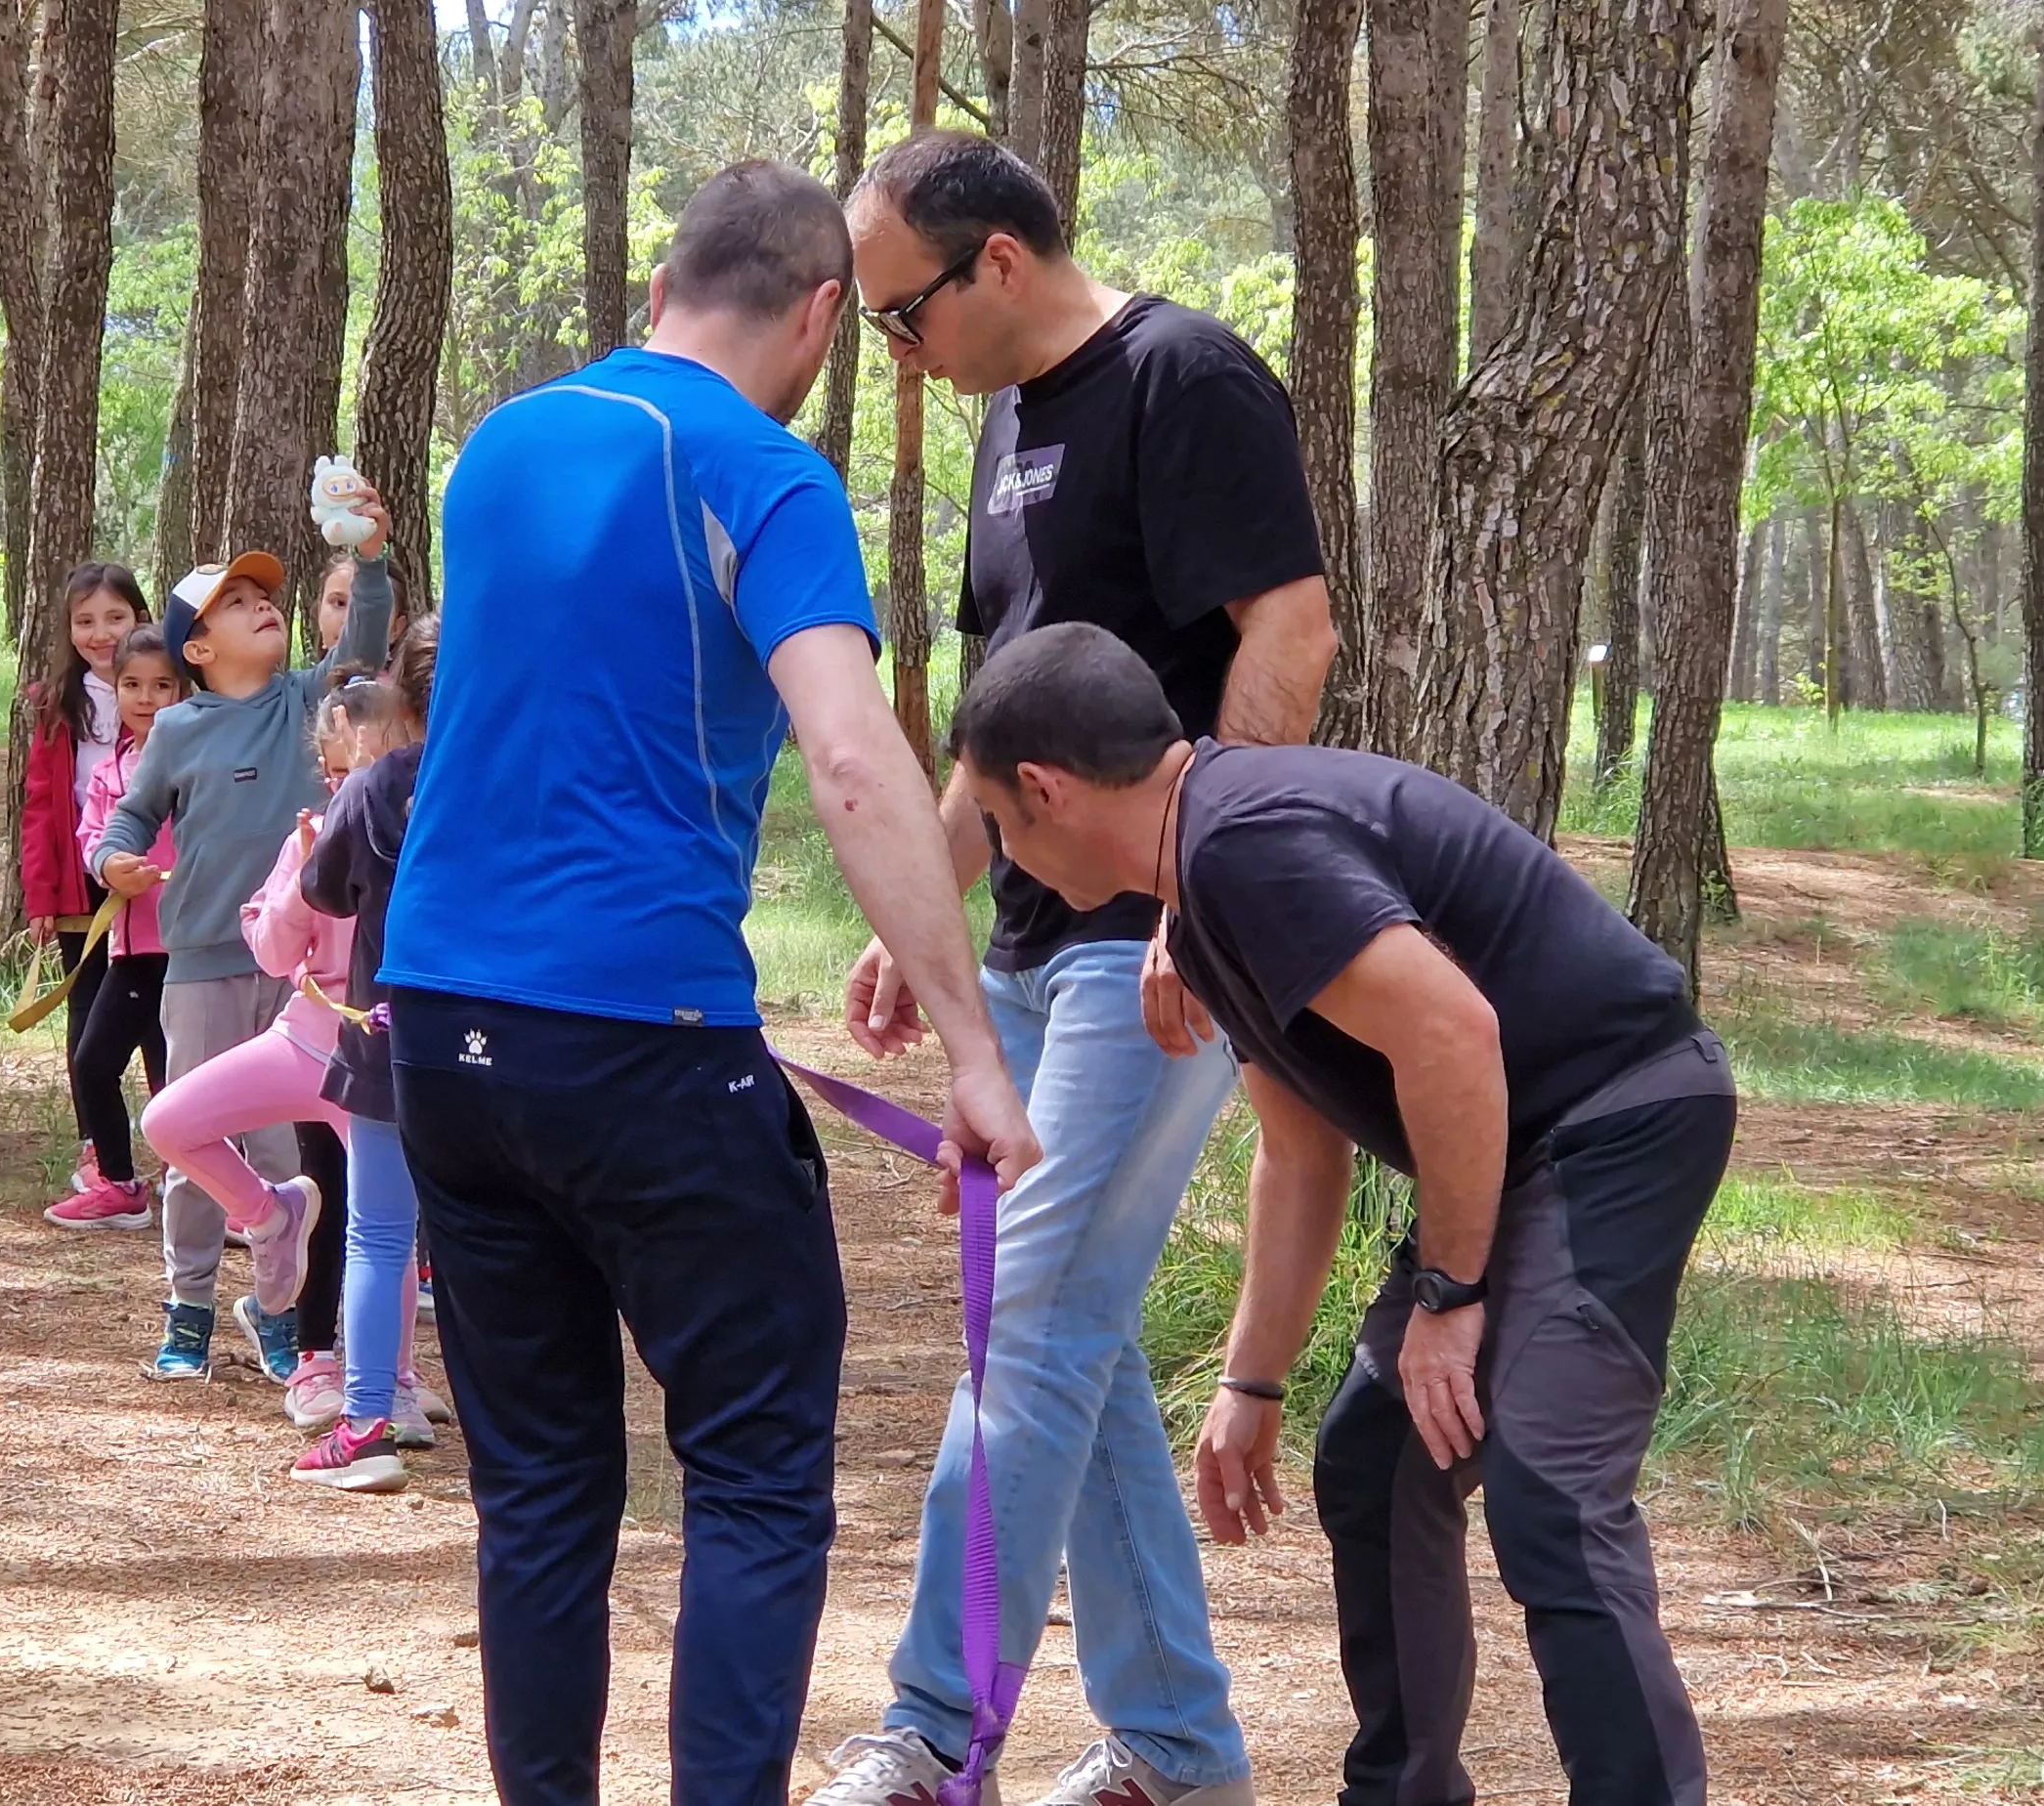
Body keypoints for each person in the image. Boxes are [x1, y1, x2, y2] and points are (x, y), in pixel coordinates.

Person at [378, 159, 1043, 1806]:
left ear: (665, 281)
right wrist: (971, 1044)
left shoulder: (501, 445)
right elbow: (852, 754)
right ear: (820, 311)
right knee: (751, 1474)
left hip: (442, 1042)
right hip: (644, 1047)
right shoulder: (763, 473)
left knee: (538, 1489)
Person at [950, 624, 1736, 1806]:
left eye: (997, 824)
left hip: (1618, 1119)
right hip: (1516, 1146)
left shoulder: (1241, 848)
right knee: (1377, 1458)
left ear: (1046, 791)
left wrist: (1452, 1295)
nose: (1003, 857)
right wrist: (1250, 1381)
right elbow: (1300, 1149)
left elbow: (1452, 1032)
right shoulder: (1201, 878)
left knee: (1547, 1490)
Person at [814, 130, 1339, 1806]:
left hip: (1162, 954)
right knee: (1084, 1340)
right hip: (1037, 958)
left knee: (1021, 1328)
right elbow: (999, 739)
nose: (898, 357)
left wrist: (1205, 894)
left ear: (1002, 265)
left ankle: (924, 1727)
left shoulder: (1184, 376)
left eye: (903, 315)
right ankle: (1179, 1748)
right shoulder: (1006, 429)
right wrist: (932, 928)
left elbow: (1290, 629)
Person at [98, 490, 397, 1383]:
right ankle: (187, 1304)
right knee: (198, 1145)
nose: (263, 605)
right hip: (199, 965)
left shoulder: (310, 697)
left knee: (281, 1151)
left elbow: (363, 647)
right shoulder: (178, 728)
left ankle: (277, 1313)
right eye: (236, 603)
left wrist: (372, 561)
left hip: (304, 972)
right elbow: (133, 815)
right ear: (197, 648)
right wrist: (116, 862)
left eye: (264, 596)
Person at [295, 635, 457, 1492]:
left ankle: (366, 1425)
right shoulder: (521, 783)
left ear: (404, 697)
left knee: (379, 1233)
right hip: (500, 1048)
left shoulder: (377, 786)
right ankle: (518, 1433)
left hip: (389, 1043)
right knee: (489, 1236)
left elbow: (324, 890)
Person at [21, 567, 167, 1225]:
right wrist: (42, 894)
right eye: (85, 621)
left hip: (163, 885)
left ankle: (183, 1153)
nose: (101, 634)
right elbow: (43, 805)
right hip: (86, 872)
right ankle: (100, 1151)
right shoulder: (60, 702)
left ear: (142, 617)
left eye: (115, 618)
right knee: (88, 1008)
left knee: (162, 1019)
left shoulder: (175, 696)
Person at [45, 623, 188, 1231]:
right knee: (94, 1061)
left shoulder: (199, 761)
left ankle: (197, 1188)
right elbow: (91, 840)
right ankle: (122, 1183)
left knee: (173, 1077)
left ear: (186, 691)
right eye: (131, 684)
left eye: (162, 685)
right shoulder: (110, 769)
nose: (146, 698)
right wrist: (108, 866)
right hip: (130, 948)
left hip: (187, 949)